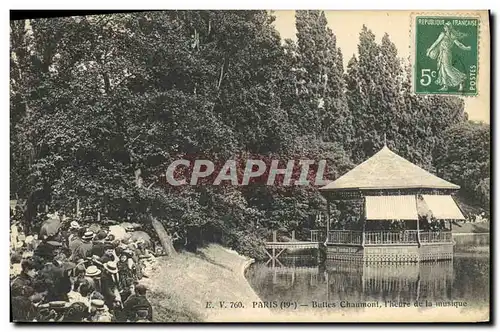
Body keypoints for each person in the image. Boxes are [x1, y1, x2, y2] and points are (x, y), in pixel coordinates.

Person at [426, 21, 472, 92]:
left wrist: (466, 48)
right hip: (442, 53)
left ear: (448, 28)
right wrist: (430, 50)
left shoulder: (450, 35)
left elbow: (459, 44)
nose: (444, 28)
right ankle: (445, 86)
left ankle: (460, 81)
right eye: (444, 26)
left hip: (446, 53)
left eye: (446, 27)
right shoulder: (444, 35)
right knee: (442, 69)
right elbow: (436, 42)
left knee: (447, 69)